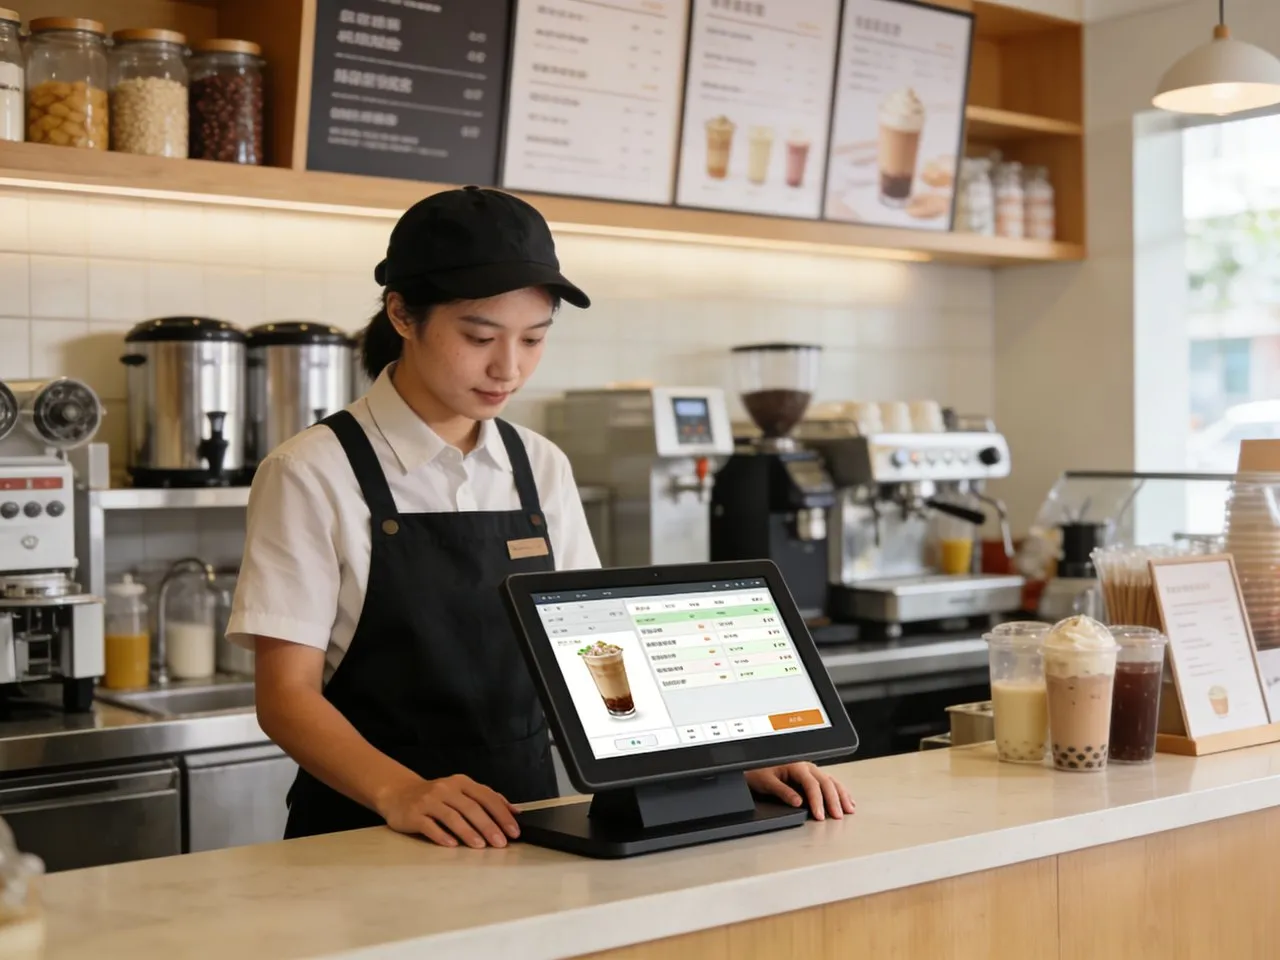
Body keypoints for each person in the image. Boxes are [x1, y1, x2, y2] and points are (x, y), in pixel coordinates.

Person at [226, 186, 855, 849]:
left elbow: (591, 653)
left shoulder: (539, 466)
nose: (509, 367)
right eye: (479, 337)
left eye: (533, 339)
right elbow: (286, 697)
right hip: (365, 829)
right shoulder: (311, 472)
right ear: (403, 315)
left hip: (528, 822)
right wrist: (401, 791)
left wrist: (722, 758)